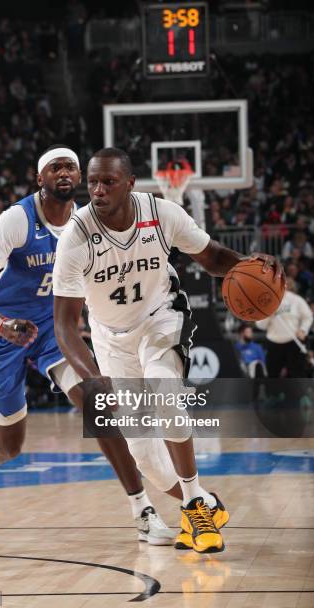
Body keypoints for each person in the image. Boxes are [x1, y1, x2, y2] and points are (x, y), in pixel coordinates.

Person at [53, 147, 284, 554]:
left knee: (165, 390)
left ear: (130, 184)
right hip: (109, 338)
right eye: (92, 182)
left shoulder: (160, 213)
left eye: (108, 182)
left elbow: (212, 257)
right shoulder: (76, 236)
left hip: (161, 316)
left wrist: (247, 264)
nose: (98, 190)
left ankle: (194, 505)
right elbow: (64, 325)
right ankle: (208, 503)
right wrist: (94, 379)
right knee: (148, 460)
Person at [0, 145, 175, 544]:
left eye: (71, 167)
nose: (64, 173)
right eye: (55, 167)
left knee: (99, 403)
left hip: (54, 332)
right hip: (3, 336)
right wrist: (1, 323)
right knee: (10, 445)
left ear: (79, 178)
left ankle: (142, 510)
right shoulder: (17, 220)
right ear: (39, 178)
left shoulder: (87, 223)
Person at [256, 278, 313, 377]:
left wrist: (303, 329)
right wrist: (269, 313)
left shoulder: (296, 300)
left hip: (293, 341)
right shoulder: (266, 301)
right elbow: (260, 325)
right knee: (272, 373)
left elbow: (308, 316)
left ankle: (300, 392)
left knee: (297, 373)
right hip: (274, 342)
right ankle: (273, 392)